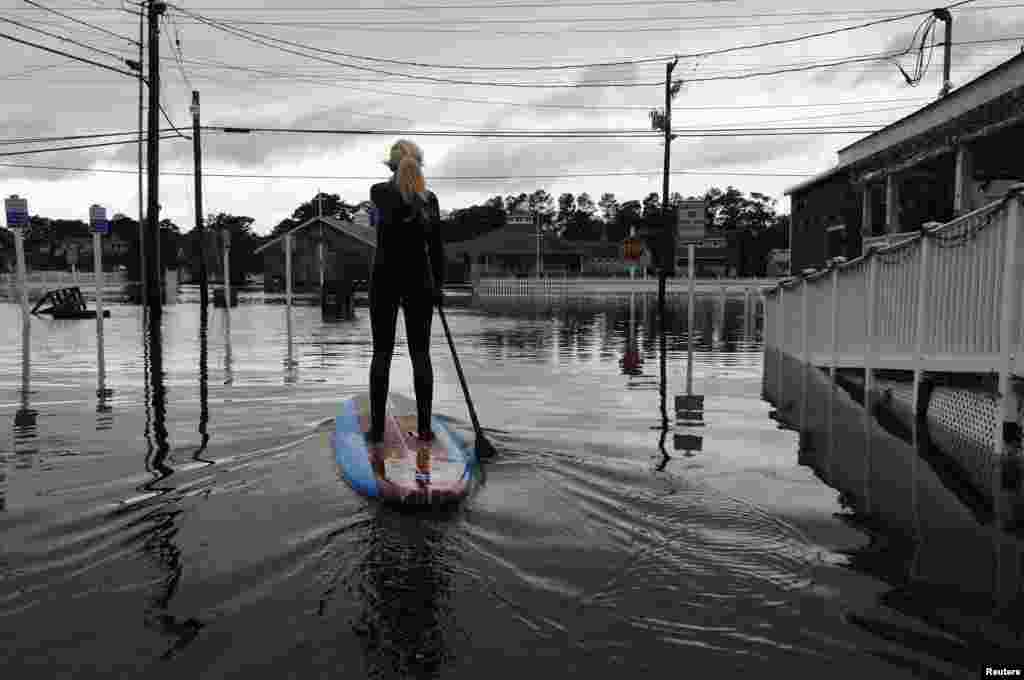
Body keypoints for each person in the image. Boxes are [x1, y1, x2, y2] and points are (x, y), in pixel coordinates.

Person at [366, 139, 445, 444]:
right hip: (421, 281)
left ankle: (376, 432)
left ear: (391, 166)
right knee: (421, 354)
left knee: (382, 352)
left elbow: (393, 207)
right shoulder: (430, 199)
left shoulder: (379, 192)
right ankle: (425, 430)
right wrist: (439, 286)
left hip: (385, 279)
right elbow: (437, 248)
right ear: (419, 165)